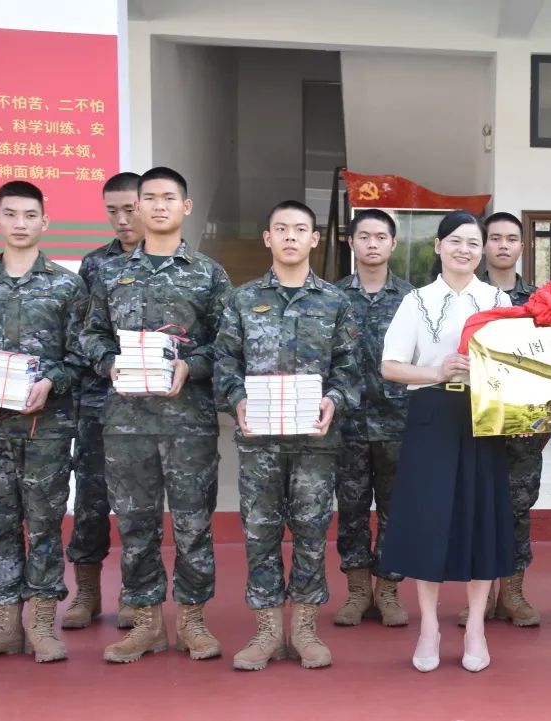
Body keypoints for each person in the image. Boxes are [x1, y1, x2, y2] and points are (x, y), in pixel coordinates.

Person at [81, 167, 232, 663]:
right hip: (126, 422)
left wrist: (192, 365)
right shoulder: (109, 273)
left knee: (193, 523)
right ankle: (146, 622)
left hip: (188, 422)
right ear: (139, 207)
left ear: (185, 207)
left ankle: (192, 620)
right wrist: (110, 363)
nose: (159, 206)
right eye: (150, 198)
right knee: (135, 524)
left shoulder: (209, 274)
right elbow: (90, 334)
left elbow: (227, 345)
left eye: (169, 198)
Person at [215, 200, 360, 670]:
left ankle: (304, 629)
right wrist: (236, 398)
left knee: (312, 531)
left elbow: (350, 367)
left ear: (315, 239)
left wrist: (334, 399)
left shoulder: (336, 302)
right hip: (260, 441)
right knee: (260, 531)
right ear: (268, 238)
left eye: (300, 229)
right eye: (281, 229)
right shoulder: (241, 299)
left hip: (315, 441)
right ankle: (266, 631)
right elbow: (224, 362)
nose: (291, 237)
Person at [380, 210, 514, 673]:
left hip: (484, 418)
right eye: (455, 241)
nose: (464, 250)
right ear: (438, 247)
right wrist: (435, 371)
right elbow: (390, 366)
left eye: (473, 243)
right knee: (428, 520)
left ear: (483, 251)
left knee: (482, 519)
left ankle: (476, 626)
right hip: (432, 413)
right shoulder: (415, 301)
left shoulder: (498, 300)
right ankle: (429, 627)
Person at [0, 181, 87, 663]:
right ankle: (3, 622)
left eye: (30, 215)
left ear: (45, 222)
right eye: (11, 214)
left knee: (45, 522)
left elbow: (81, 356)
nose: (20, 224)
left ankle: (43, 622)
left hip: (46, 426)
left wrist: (51, 381)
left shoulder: (67, 286)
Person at [63, 172, 143, 631]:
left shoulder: (177, 264)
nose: (121, 219)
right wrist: (105, 364)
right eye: (112, 211)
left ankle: (135, 594)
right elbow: (81, 333)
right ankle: (87, 592)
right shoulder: (95, 264)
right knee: (92, 500)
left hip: (150, 405)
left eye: (129, 209)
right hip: (99, 400)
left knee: (138, 505)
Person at [333, 209, 414, 627]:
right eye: (363, 236)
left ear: (392, 244)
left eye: (380, 237)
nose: (372, 244)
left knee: (396, 510)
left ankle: (388, 590)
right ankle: (357, 590)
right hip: (346, 423)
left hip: (399, 423)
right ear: (351, 242)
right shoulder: (331, 297)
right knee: (350, 508)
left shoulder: (412, 299)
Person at [465, 211, 546, 628]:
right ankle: (478, 596)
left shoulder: (541, 301)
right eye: (494, 238)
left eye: (511, 238)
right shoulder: (468, 296)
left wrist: (545, 420)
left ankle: (513, 593)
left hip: (524, 427)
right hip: (475, 422)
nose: (502, 245)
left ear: (522, 246)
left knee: (518, 508)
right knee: (477, 508)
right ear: (483, 245)